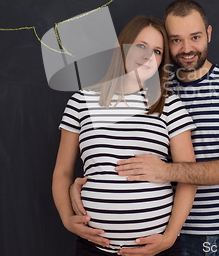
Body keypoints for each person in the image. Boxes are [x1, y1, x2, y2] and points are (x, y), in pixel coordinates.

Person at [72, 0, 219, 256]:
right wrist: (87, 184)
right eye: (176, 40)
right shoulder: (155, 91)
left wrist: (165, 171)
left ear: (209, 34)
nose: (187, 48)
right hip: (177, 233)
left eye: (196, 37)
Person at [52, 15, 197, 256]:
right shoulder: (81, 102)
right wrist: (67, 219)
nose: (148, 57)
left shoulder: (169, 105)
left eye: (158, 51)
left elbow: (188, 174)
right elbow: (63, 172)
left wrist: (169, 237)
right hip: (95, 248)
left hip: (158, 248)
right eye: (140, 46)